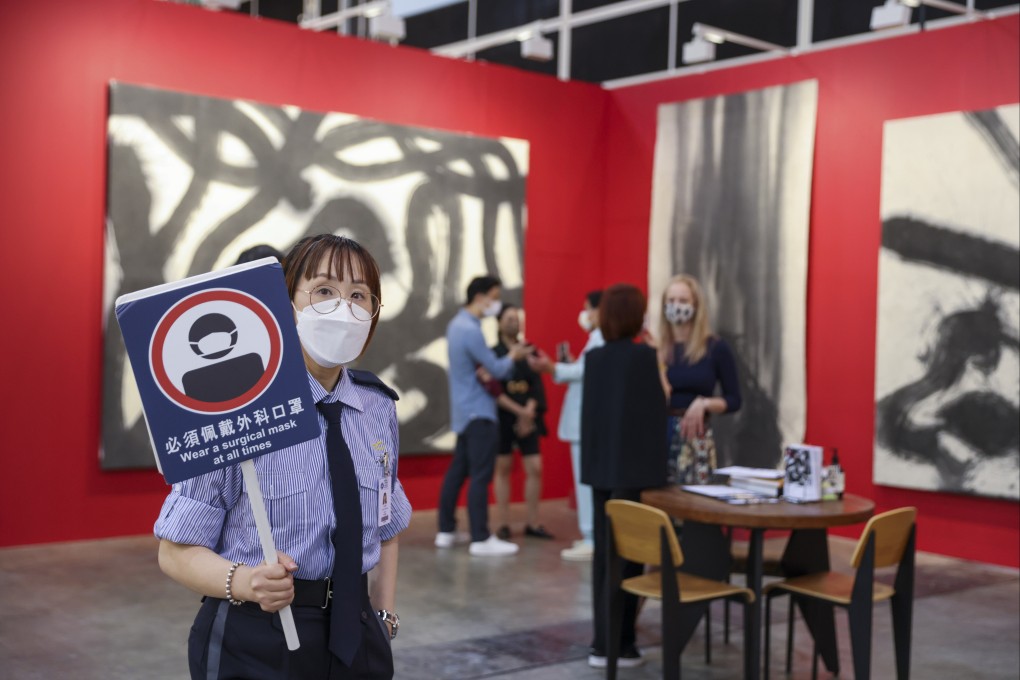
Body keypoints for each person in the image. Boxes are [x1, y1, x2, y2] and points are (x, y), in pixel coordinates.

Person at [154, 234, 412, 680]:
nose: (342, 308)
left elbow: (387, 523)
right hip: (257, 639)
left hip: (358, 636)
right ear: (285, 301)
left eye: (358, 296)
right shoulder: (237, 409)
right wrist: (246, 582)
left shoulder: (378, 407)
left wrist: (383, 615)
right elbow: (175, 552)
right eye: (324, 291)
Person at [580, 283, 669, 669]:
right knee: (629, 559)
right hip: (633, 473)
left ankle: (602, 643)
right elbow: (656, 411)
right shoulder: (644, 357)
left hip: (600, 470)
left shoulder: (595, 358)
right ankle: (624, 644)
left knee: (604, 558)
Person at [436, 275, 532, 557]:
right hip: (480, 412)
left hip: (464, 412)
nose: (496, 303)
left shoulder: (455, 326)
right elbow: (498, 370)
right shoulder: (471, 330)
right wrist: (514, 355)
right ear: (481, 297)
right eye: (494, 296)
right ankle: (480, 536)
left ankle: (446, 529)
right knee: (480, 475)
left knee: (458, 472)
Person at [530, 289, 604, 561]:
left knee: (585, 483)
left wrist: (553, 368)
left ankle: (591, 535)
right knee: (584, 480)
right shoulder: (595, 340)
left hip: (585, 422)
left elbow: (585, 372)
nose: (584, 315)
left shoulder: (600, 339)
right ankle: (590, 534)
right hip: (582, 420)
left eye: (588, 308)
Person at [657, 274, 742, 484]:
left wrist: (704, 403)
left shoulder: (715, 348)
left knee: (693, 502)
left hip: (696, 438)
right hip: (659, 434)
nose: (676, 306)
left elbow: (734, 399)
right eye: (671, 301)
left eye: (683, 301)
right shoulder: (656, 349)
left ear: (696, 306)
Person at [491, 304, 553, 541]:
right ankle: (504, 523)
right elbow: (494, 389)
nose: (513, 322)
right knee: (503, 468)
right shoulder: (494, 353)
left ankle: (533, 522)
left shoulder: (530, 350)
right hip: (503, 417)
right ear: (498, 323)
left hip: (529, 418)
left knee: (535, 468)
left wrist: (529, 412)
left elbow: (537, 386)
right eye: (508, 318)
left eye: (516, 318)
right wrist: (518, 412)